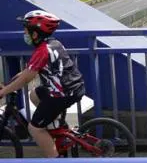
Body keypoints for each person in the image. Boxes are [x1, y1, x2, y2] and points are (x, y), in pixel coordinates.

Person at [0, 10, 85, 158]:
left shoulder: (43, 50)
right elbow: (29, 71)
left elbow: (27, 77)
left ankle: (55, 159)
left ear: (35, 34)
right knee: (35, 94)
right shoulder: (52, 43)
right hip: (71, 89)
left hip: (61, 94)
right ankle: (57, 127)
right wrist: (10, 84)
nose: (24, 34)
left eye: (26, 31)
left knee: (35, 129)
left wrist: (3, 92)